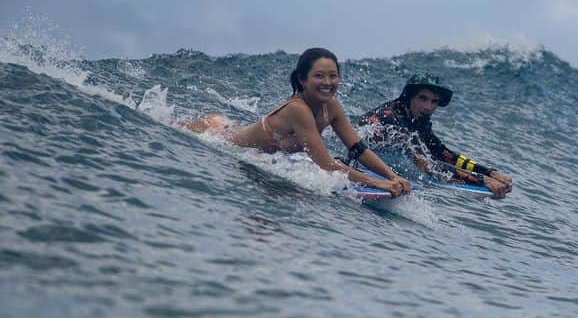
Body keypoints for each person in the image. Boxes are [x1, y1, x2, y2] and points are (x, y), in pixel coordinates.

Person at [184, 48, 411, 197]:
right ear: (303, 80)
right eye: (319, 76)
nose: (327, 82)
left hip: (239, 134)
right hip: (223, 138)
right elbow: (326, 164)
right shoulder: (297, 110)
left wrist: (391, 176)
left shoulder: (331, 106)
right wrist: (377, 183)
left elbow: (358, 148)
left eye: (333, 76)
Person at [355, 73, 513, 199]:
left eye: (434, 101)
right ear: (409, 97)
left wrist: (489, 172)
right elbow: (429, 166)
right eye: (422, 98)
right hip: (356, 161)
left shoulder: (417, 118)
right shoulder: (393, 121)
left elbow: (443, 153)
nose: (428, 107)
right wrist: (481, 180)